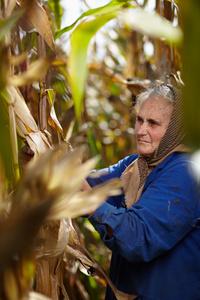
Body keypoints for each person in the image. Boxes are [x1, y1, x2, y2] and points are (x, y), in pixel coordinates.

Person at [84, 83, 200, 300]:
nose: (140, 130)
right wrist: (44, 169)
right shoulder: (138, 165)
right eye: (139, 120)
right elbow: (92, 183)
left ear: (175, 130)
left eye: (153, 123)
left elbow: (138, 236)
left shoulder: (185, 173)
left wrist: (90, 203)